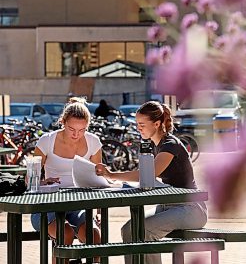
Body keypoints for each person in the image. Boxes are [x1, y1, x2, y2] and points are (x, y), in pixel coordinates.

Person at [95, 101, 207, 264]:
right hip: (168, 206)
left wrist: (112, 175)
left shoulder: (170, 145)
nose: (138, 128)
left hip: (190, 208)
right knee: (128, 230)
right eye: (137, 124)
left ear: (157, 123)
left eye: (141, 124)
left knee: (145, 230)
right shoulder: (156, 145)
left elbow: (149, 174)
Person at [31, 97, 102, 263]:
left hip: (78, 204)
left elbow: (98, 178)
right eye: (71, 129)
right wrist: (42, 182)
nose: (76, 134)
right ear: (63, 122)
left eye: (82, 129)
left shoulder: (93, 142)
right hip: (48, 205)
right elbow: (30, 178)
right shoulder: (46, 141)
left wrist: (98, 211)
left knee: (96, 237)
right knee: (66, 234)